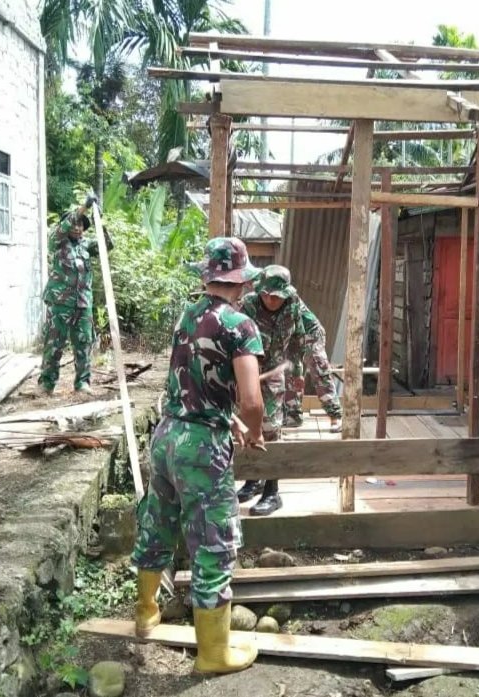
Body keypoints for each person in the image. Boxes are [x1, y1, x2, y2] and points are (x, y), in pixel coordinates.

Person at [131, 237, 265, 675]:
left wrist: (229, 419)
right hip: (202, 449)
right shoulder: (240, 325)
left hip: (168, 435)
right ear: (240, 281)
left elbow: (191, 385)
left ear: (208, 276)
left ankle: (146, 612)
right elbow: (252, 400)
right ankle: (212, 655)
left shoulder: (186, 317)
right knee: (213, 544)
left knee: (158, 524)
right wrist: (253, 430)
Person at [235, 265, 306, 517]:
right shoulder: (247, 306)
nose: (270, 300)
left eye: (276, 296)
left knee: (271, 430)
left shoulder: (293, 304)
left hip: (274, 376)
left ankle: (272, 491)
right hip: (248, 372)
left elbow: (299, 339)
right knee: (246, 427)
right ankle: (253, 480)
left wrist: (297, 376)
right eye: (266, 294)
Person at [37, 198, 109, 396]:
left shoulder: (86, 245)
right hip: (60, 303)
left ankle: (82, 383)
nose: (78, 228)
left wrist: (99, 223)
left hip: (82, 303)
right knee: (54, 344)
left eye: (81, 225)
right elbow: (65, 225)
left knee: (84, 343)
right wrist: (84, 207)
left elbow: (107, 246)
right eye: (75, 224)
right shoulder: (58, 241)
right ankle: (47, 384)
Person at [282, 300, 342, 433]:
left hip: (310, 333)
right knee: (289, 372)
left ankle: (335, 416)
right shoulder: (253, 300)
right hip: (290, 338)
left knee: (319, 369)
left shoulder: (286, 295)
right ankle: (293, 416)